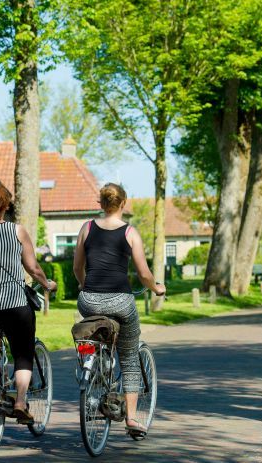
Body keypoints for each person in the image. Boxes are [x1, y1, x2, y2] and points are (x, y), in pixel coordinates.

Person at [73, 183, 166, 435]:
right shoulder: (130, 233)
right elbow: (143, 274)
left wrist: (84, 285)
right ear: (123, 204)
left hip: (89, 300)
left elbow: (77, 267)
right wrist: (156, 287)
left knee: (95, 334)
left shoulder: (86, 228)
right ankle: (132, 419)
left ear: (101, 204)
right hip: (120, 302)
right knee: (128, 357)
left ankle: (94, 365)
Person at [0, 185, 57, 425]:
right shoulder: (17, 231)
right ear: (5, 206)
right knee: (23, 351)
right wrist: (47, 284)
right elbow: (33, 268)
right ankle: (19, 402)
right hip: (13, 304)